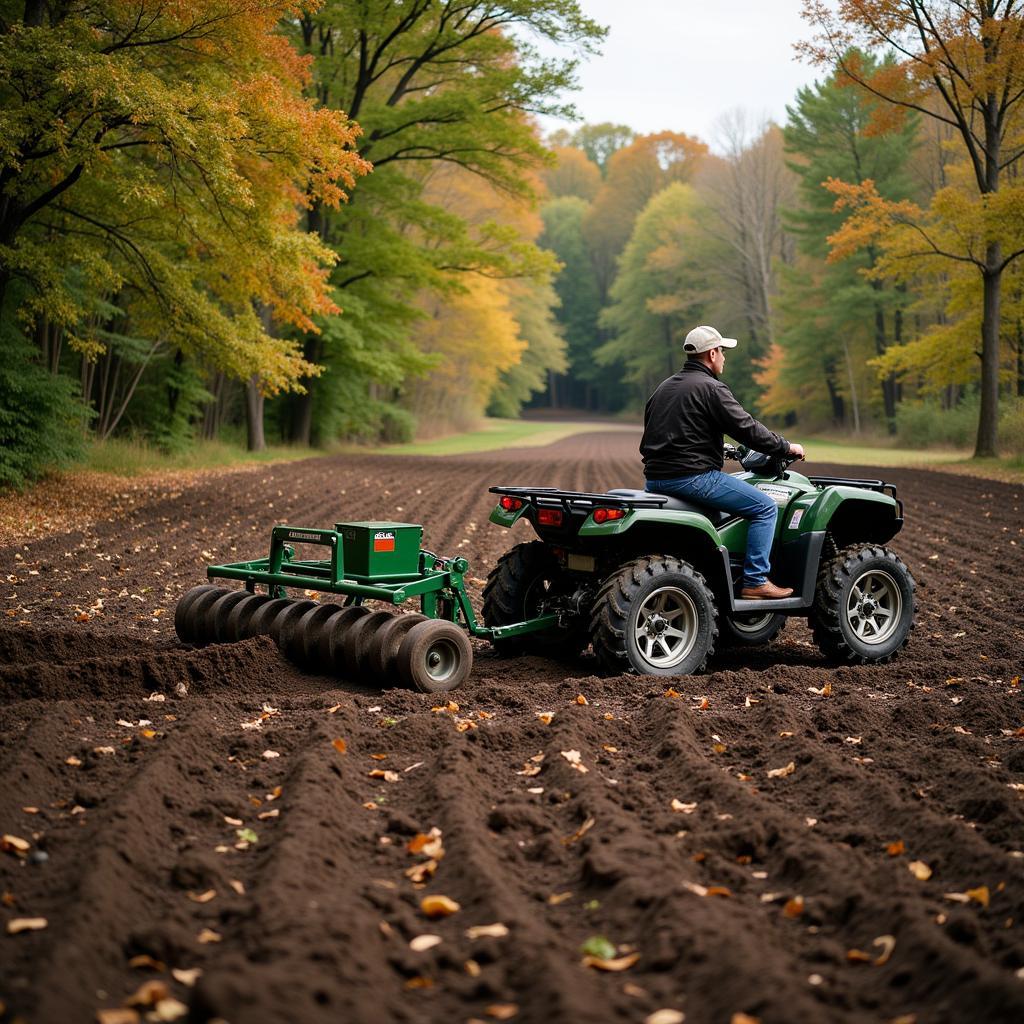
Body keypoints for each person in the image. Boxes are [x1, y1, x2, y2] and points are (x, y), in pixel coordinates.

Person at [640, 325, 805, 600]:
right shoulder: (711, 388)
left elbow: (664, 432)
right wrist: (787, 446)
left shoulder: (664, 387)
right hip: (693, 478)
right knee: (765, 507)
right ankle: (755, 581)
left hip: (656, 479)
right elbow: (747, 429)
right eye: (723, 352)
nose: (725, 358)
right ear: (712, 354)